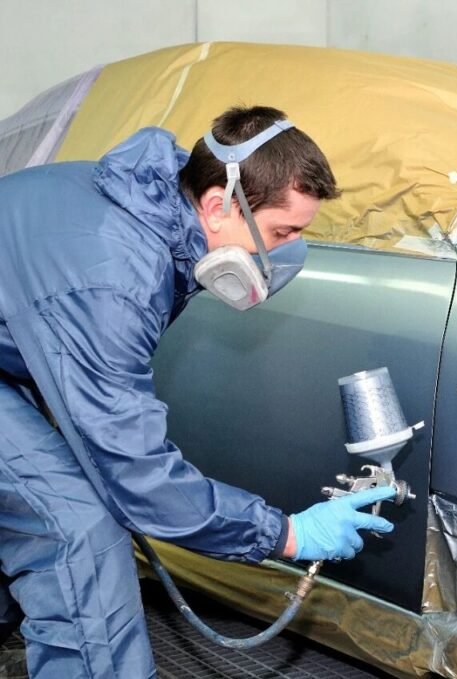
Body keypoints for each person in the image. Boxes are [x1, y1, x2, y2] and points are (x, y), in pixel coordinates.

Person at [0, 105, 394, 678]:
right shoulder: (115, 277)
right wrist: (284, 534)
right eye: (283, 232)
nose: (283, 254)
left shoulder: (152, 206)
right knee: (76, 530)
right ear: (218, 205)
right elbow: (139, 477)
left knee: (39, 497)